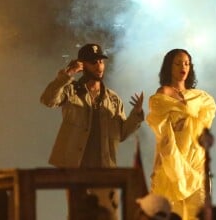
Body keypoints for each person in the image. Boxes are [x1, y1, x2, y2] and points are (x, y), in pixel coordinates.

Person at [40, 43, 144, 220]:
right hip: (76, 169)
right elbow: (48, 99)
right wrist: (68, 74)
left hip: (104, 169)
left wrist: (136, 114)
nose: (99, 66)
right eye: (93, 62)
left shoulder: (112, 98)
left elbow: (122, 134)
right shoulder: (71, 90)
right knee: (79, 215)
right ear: (82, 65)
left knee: (109, 215)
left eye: (101, 62)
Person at [146, 49, 216, 220]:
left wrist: (187, 117)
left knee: (197, 212)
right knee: (171, 210)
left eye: (186, 63)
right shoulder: (163, 93)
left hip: (195, 161)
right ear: (169, 67)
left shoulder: (199, 97)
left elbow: (205, 120)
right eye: (178, 63)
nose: (183, 67)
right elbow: (161, 128)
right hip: (172, 162)